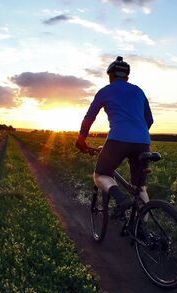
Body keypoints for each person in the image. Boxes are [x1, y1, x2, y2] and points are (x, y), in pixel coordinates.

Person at [75, 56, 153, 218]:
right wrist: (138, 135)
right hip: (143, 141)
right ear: (127, 77)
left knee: (101, 175)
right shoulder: (138, 91)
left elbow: (89, 117)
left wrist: (81, 139)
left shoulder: (105, 91)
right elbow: (149, 120)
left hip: (118, 139)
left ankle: (121, 199)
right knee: (140, 187)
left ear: (110, 76)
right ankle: (142, 228)